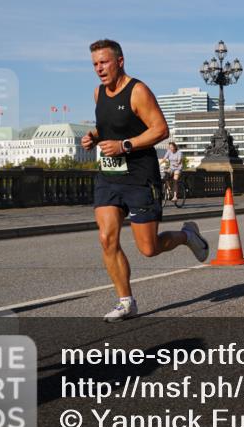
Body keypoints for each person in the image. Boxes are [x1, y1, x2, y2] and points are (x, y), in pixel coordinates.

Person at [81, 39, 209, 322]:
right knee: (106, 238)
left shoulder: (137, 91)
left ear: (120, 62)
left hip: (140, 177)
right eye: (95, 64)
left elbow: (160, 130)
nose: (99, 69)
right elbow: (107, 128)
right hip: (109, 177)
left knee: (148, 248)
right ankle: (126, 302)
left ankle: (187, 235)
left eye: (104, 62)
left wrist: (124, 145)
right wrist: (93, 137)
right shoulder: (98, 93)